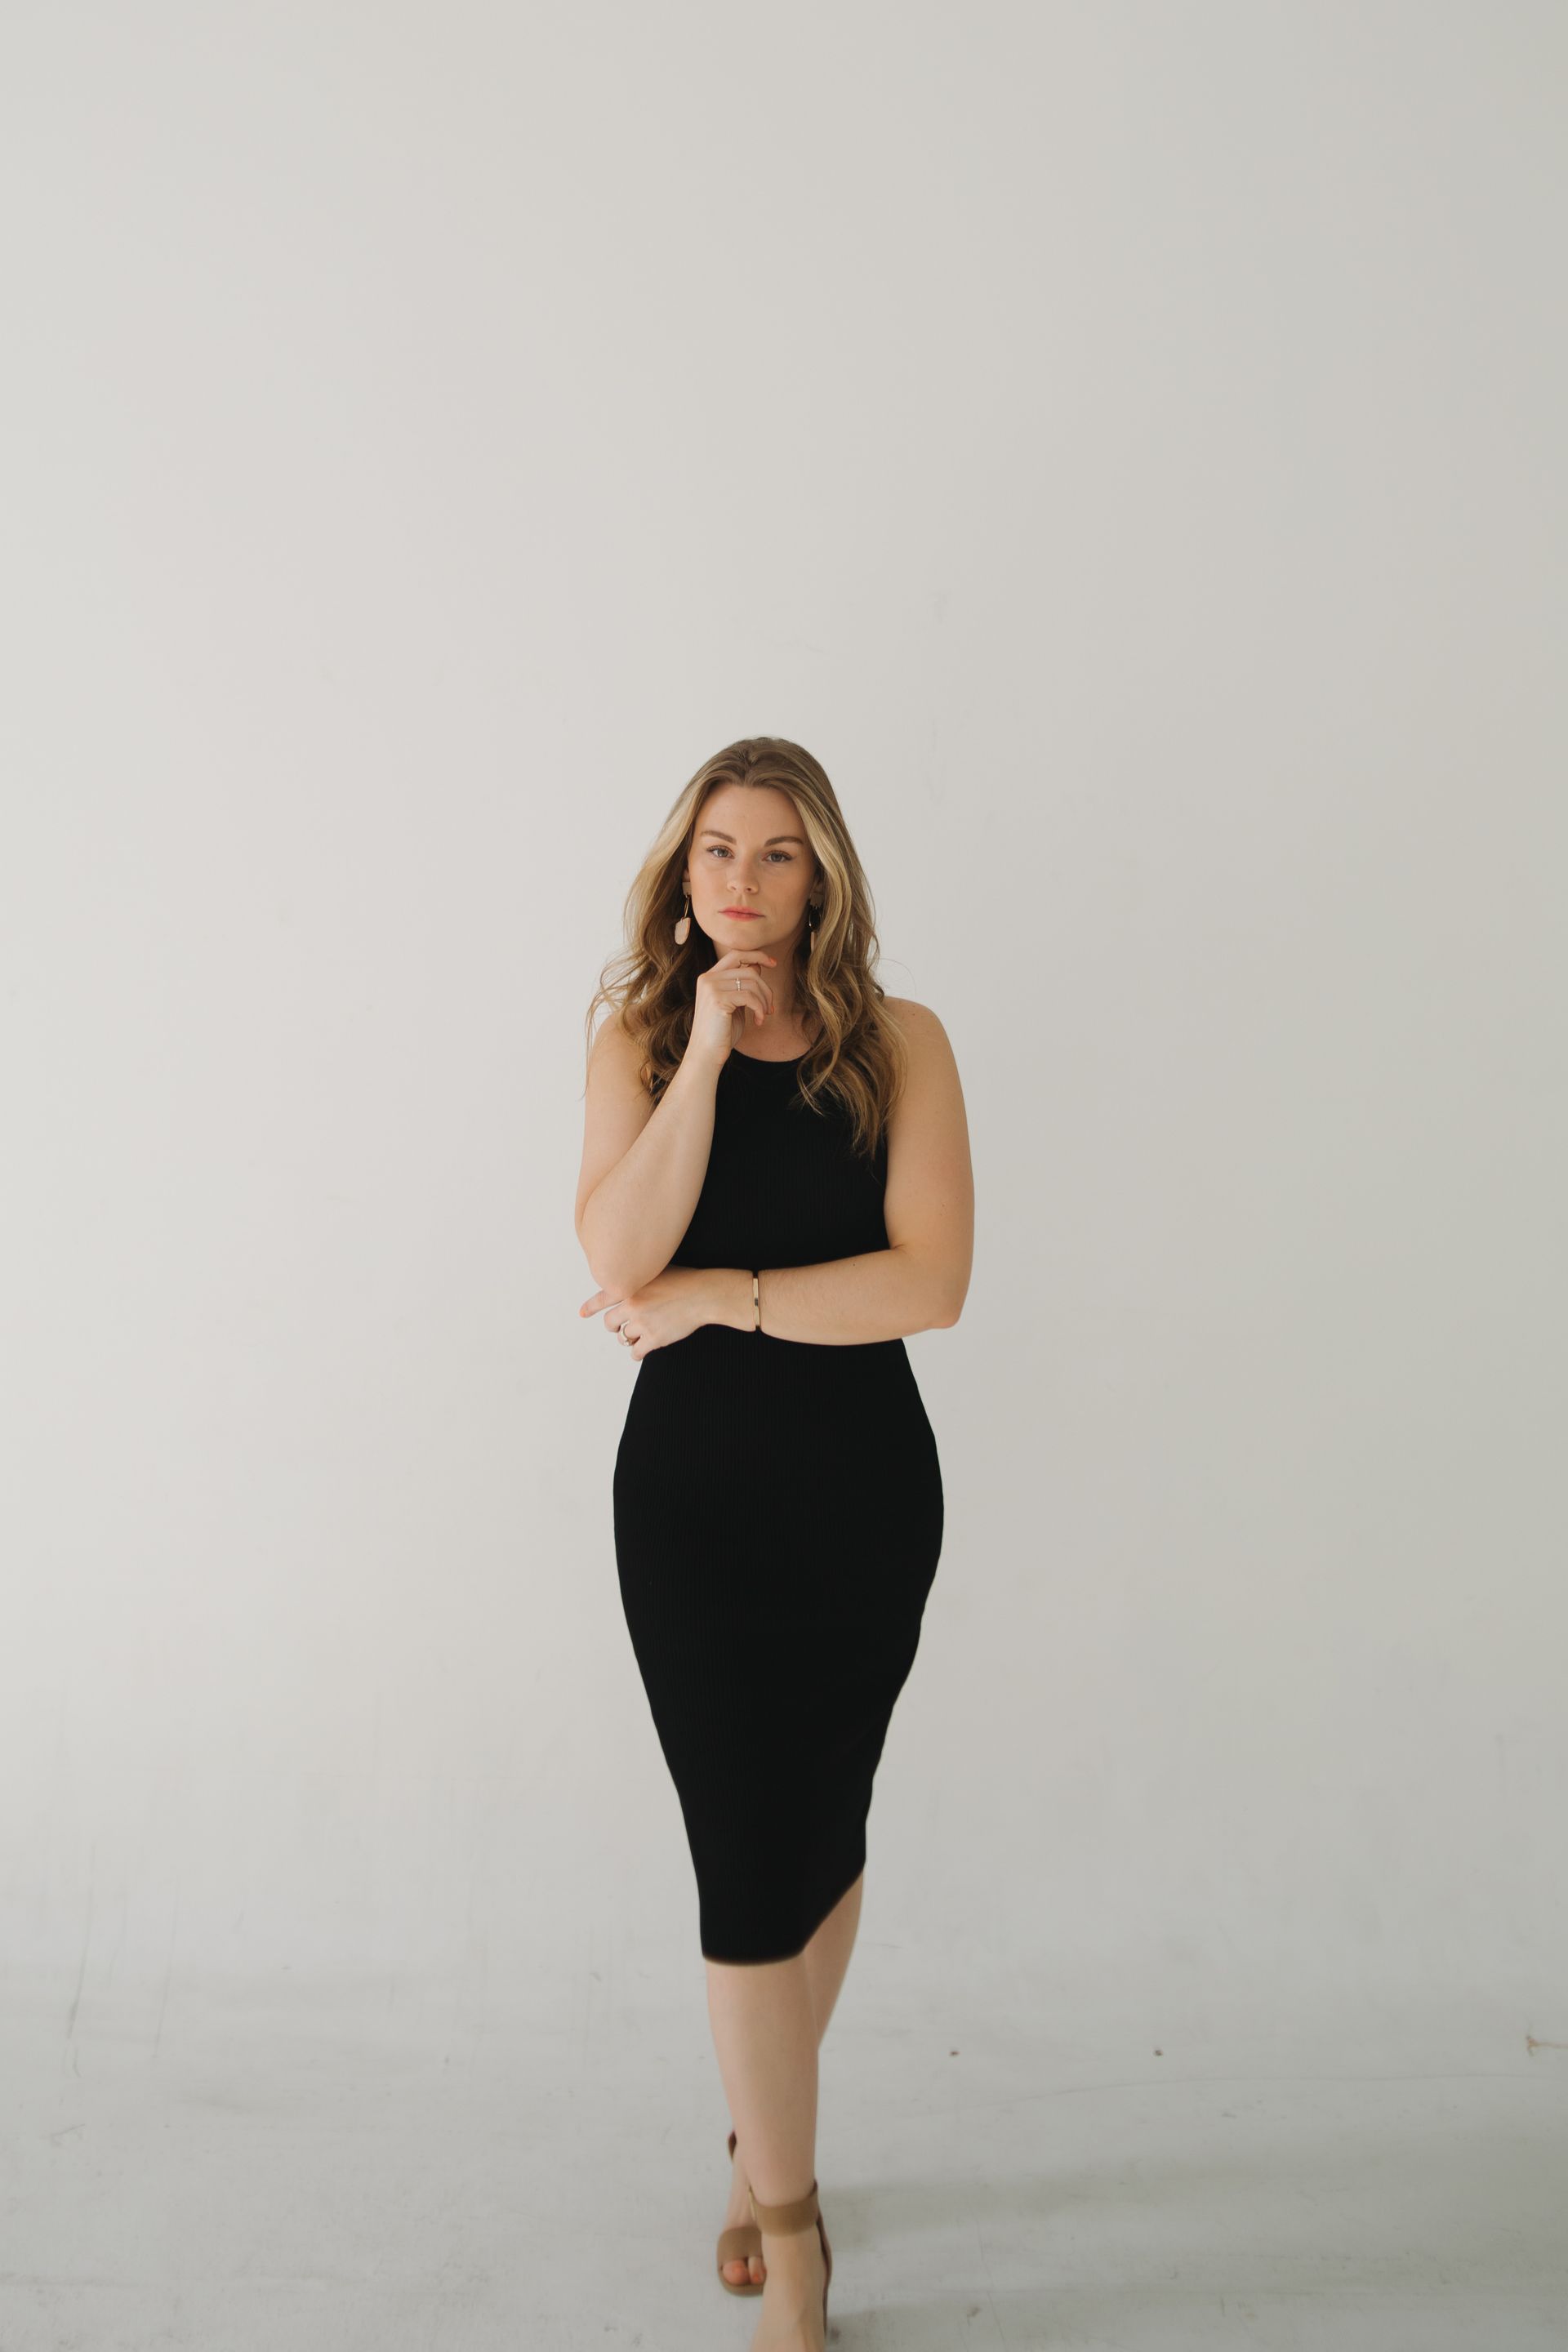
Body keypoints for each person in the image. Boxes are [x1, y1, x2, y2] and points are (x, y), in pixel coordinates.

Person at [575, 737, 972, 2348]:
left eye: (778, 857)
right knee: (743, 1859)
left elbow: (927, 1283)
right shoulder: (634, 1038)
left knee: (823, 1846)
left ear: (826, 881)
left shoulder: (903, 1044)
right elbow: (617, 1250)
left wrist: (726, 1305)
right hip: (690, 1512)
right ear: (683, 879)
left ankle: (762, 2139)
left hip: (868, 1499)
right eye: (717, 855)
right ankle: (791, 2225)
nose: (743, 884)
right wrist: (699, 1067)